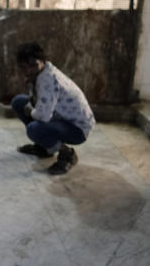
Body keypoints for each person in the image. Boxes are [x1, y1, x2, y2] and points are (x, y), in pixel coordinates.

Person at [10, 41, 95, 175]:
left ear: (43, 61)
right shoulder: (40, 73)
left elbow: (42, 116)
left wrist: (31, 110)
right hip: (60, 117)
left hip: (77, 129)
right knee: (19, 102)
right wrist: (31, 107)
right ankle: (45, 147)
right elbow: (37, 102)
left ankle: (67, 154)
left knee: (34, 129)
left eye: (33, 65)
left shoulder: (48, 79)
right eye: (24, 67)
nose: (28, 71)